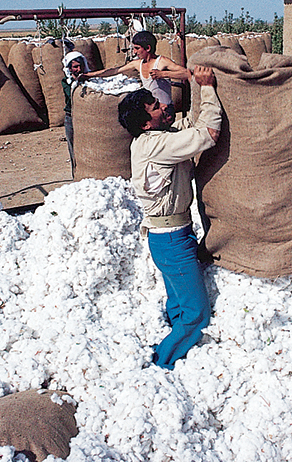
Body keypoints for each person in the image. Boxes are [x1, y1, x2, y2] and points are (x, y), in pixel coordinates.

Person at [117, 65, 223, 370]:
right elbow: (209, 134)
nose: (165, 105)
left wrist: (193, 84)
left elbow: (190, 124)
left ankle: (175, 351)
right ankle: (162, 362)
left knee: (178, 304)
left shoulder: (159, 136)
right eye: (155, 107)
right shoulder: (156, 144)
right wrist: (208, 88)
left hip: (171, 236)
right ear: (145, 124)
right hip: (171, 240)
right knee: (196, 313)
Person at [85, 30, 190, 115]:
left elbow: (187, 73)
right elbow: (115, 70)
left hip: (165, 110)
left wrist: (163, 74)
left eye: (137, 48)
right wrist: (89, 75)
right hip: (151, 111)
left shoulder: (162, 62)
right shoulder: (137, 64)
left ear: (148, 48)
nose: (134, 52)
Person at [61, 50, 89, 177]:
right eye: (75, 67)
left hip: (86, 118)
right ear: (70, 69)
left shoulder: (90, 80)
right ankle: (76, 174)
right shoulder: (66, 82)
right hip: (71, 117)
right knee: (73, 147)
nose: (78, 69)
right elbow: (72, 95)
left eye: (80, 66)